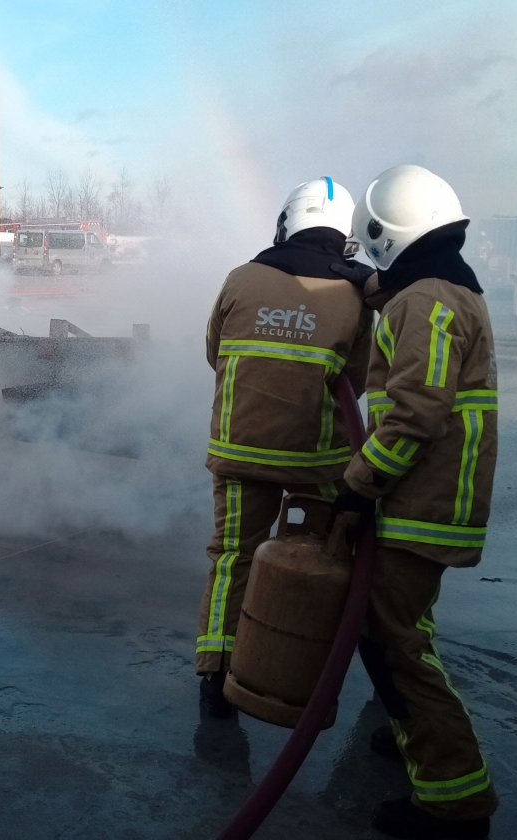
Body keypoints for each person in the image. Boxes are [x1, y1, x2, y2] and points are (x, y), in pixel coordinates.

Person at [329, 165, 499, 840]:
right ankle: (414, 738)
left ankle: (454, 800)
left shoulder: (424, 301)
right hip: (434, 494)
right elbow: (388, 290)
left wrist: (354, 486)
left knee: (394, 647)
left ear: (386, 234)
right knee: (406, 628)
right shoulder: (445, 284)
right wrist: (357, 284)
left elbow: (413, 414)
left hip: (419, 499)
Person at [197, 177, 372, 717]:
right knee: (324, 561)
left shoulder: (241, 277)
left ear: (284, 223)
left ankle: (215, 677)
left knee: (232, 559)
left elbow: (213, 352)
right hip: (316, 460)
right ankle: (298, 668)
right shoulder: (355, 294)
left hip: (240, 449)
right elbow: (358, 381)